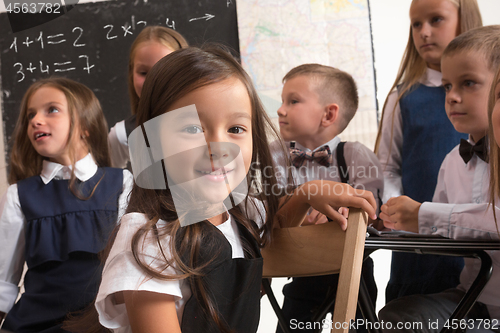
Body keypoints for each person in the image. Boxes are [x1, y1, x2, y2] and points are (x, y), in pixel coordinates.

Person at [94, 46, 378, 333]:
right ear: (152, 139)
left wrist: (307, 193)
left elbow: (274, 228)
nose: (220, 148)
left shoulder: (243, 212)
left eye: (236, 129)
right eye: (193, 129)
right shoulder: (148, 237)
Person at [379, 25, 500, 332]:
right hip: (473, 299)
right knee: (396, 318)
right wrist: (386, 226)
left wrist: (422, 214)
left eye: (468, 83)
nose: (452, 97)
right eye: (447, 86)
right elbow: (440, 237)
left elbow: (494, 223)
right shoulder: (451, 162)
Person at [0, 77, 133, 332]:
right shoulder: (18, 195)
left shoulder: (121, 183)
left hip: (103, 326)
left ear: (85, 125)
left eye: (51, 110)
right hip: (34, 325)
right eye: (30, 115)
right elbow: (3, 282)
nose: (36, 120)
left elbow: (130, 269)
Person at [375, 0, 483, 302]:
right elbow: (387, 166)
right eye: (416, 24)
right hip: (417, 244)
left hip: (476, 247)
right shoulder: (403, 97)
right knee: (412, 309)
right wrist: (396, 206)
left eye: (436, 20)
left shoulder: (490, 101)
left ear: (464, 19)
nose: (424, 32)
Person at [274, 64, 383, 333]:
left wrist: (342, 211)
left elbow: (369, 211)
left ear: (329, 114)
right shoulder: (274, 156)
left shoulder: (356, 156)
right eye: (282, 101)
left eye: (293, 101)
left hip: (354, 268)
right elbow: (270, 212)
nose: (280, 109)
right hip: (301, 267)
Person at [108, 26, 189, 168]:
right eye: (144, 73)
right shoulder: (122, 134)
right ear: (131, 74)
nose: (153, 80)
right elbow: (108, 184)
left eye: (165, 71)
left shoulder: (210, 122)